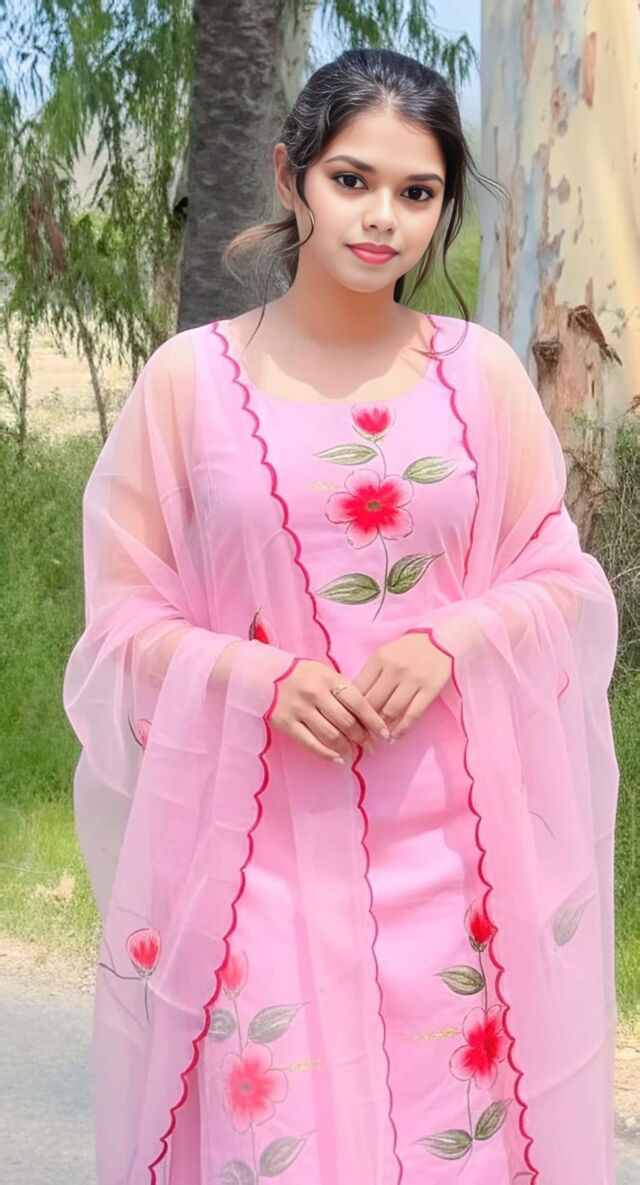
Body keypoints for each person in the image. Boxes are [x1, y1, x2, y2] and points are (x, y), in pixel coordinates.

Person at [63, 47, 620, 1185]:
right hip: (256, 847)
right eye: (351, 180)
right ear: (290, 177)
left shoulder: (479, 378)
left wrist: (452, 639)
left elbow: (562, 581)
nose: (382, 218)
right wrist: (252, 677)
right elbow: (121, 618)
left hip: (458, 853)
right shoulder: (191, 381)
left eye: (417, 192)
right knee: (278, 1139)